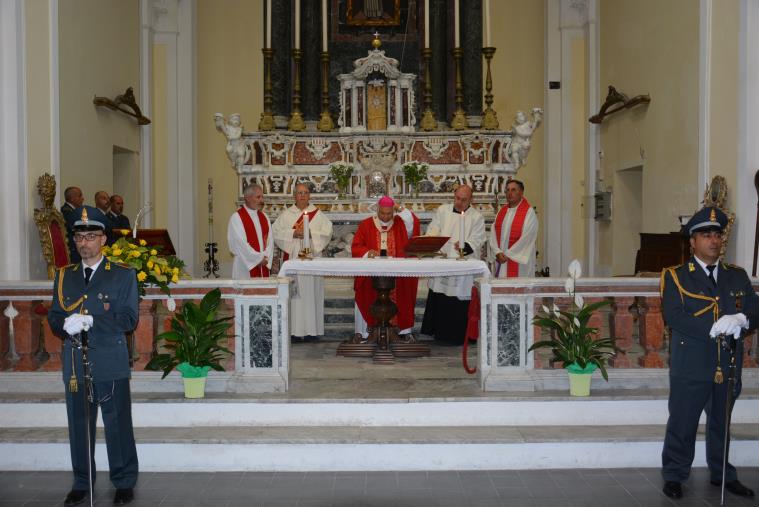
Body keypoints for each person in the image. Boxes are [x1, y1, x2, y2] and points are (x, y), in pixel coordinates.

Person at [660, 206, 759, 500]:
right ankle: (675, 475)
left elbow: (754, 307)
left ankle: (722, 473)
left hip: (727, 363)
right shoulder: (676, 276)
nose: (713, 240)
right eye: (706, 235)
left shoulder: (736, 276)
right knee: (683, 421)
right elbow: (674, 316)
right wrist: (714, 326)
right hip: (691, 363)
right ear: (693, 241)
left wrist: (741, 320)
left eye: (717, 234)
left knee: (721, 422)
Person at [47, 206, 139, 506]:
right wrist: (65, 324)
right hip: (75, 361)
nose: (83, 242)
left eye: (91, 236)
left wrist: (92, 322)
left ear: (103, 240)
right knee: (79, 423)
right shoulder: (64, 277)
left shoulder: (123, 275)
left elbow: (129, 319)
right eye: (79, 236)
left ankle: (123, 480)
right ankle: (82, 480)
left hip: (109, 358)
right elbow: (55, 316)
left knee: (117, 422)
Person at [420, 184, 486, 345]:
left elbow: (478, 239)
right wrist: (432, 240)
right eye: (457, 198)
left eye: (463, 200)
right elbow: (434, 229)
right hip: (443, 260)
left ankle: (459, 334)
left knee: (458, 298)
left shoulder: (476, 217)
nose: (459, 202)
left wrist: (465, 246)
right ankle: (438, 332)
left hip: (462, 264)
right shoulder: (443, 210)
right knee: (440, 294)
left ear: (471, 199)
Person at [352, 196, 420, 341]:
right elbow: (356, 246)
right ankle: (364, 332)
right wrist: (367, 252)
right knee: (365, 293)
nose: (385, 216)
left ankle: (403, 332)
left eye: (389, 213)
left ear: (393, 212)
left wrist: (399, 207)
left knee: (404, 293)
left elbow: (413, 223)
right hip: (371, 274)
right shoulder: (366, 225)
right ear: (377, 210)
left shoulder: (400, 224)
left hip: (397, 274)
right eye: (382, 213)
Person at [272, 183, 333, 342]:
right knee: (296, 297)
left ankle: (312, 331)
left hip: (311, 261)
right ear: (294, 195)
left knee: (311, 295)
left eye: (305, 192)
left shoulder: (318, 215)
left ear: (309, 195)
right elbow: (276, 233)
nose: (303, 195)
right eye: (299, 193)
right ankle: (294, 332)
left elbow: (327, 232)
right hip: (293, 260)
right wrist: (293, 233)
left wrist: (310, 234)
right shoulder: (286, 215)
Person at [488, 179, 538, 278]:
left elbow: (527, 237)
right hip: (502, 260)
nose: (510, 193)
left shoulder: (528, 212)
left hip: (518, 262)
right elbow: (493, 234)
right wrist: (497, 252)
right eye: (507, 190)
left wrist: (507, 254)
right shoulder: (502, 212)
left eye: (513, 190)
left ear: (521, 192)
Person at [227, 183, 273, 278]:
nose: (261, 200)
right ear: (247, 198)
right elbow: (239, 243)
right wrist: (258, 259)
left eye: (262, 197)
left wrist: (265, 258)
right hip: (244, 266)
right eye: (258, 197)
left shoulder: (264, 217)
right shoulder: (237, 217)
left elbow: (270, 241)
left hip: (263, 265)